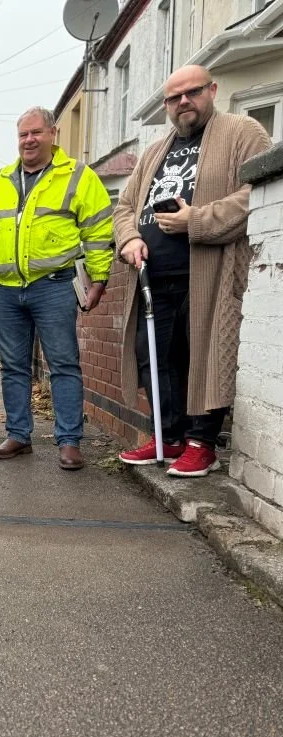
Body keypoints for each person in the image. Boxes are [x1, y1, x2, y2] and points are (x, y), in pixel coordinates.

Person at [115, 65, 272, 477]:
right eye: (174, 97)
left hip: (207, 271)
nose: (184, 101)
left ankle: (202, 442)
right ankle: (167, 436)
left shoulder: (243, 131)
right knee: (155, 359)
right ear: (166, 105)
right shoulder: (155, 150)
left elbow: (256, 196)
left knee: (203, 355)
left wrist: (196, 220)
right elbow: (125, 207)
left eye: (193, 92)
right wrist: (130, 239)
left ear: (212, 90)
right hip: (154, 275)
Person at [0, 106, 114, 471]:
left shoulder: (78, 177)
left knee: (63, 364)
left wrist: (98, 279)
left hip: (55, 285)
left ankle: (69, 441)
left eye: (36, 133)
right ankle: (18, 434)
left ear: (53, 134)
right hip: (6, 288)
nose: (29, 140)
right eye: (22, 135)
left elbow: (97, 230)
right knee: (13, 366)